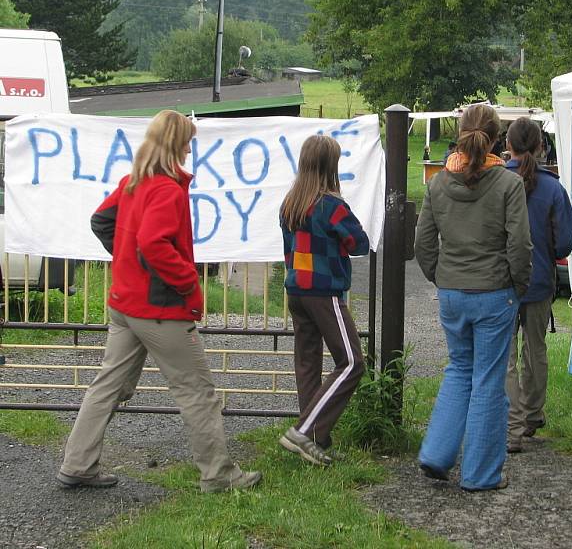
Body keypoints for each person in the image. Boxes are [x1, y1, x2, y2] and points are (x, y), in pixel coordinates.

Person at [57, 110, 261, 493]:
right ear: (174, 143)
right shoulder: (167, 188)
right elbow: (153, 243)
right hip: (160, 311)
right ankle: (219, 475)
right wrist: (188, 285)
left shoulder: (133, 182)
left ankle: (77, 464)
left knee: (108, 386)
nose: (189, 147)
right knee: (197, 393)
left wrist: (127, 261)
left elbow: (101, 221)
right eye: (187, 140)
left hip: (125, 306)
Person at [415, 104, 532, 491]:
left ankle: (436, 454)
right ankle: (481, 474)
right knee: (488, 380)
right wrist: (518, 286)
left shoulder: (437, 183)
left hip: (452, 292)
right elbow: (519, 245)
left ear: (460, 132)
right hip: (495, 293)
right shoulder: (508, 184)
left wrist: (441, 277)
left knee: (459, 369)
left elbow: (423, 244)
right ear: (497, 137)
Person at [278, 134, 368, 466]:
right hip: (324, 291)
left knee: (307, 363)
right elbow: (359, 243)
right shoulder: (331, 205)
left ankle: (313, 441)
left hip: (296, 290)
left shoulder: (290, 202)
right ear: (332, 166)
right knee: (352, 362)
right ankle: (305, 431)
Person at [503, 117, 572, 453]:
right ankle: (532, 415)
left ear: (507, 146)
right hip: (540, 279)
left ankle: (511, 425)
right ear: (540, 146)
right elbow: (565, 242)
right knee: (536, 350)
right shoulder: (553, 188)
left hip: (501, 283)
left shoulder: (496, 181)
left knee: (505, 357)